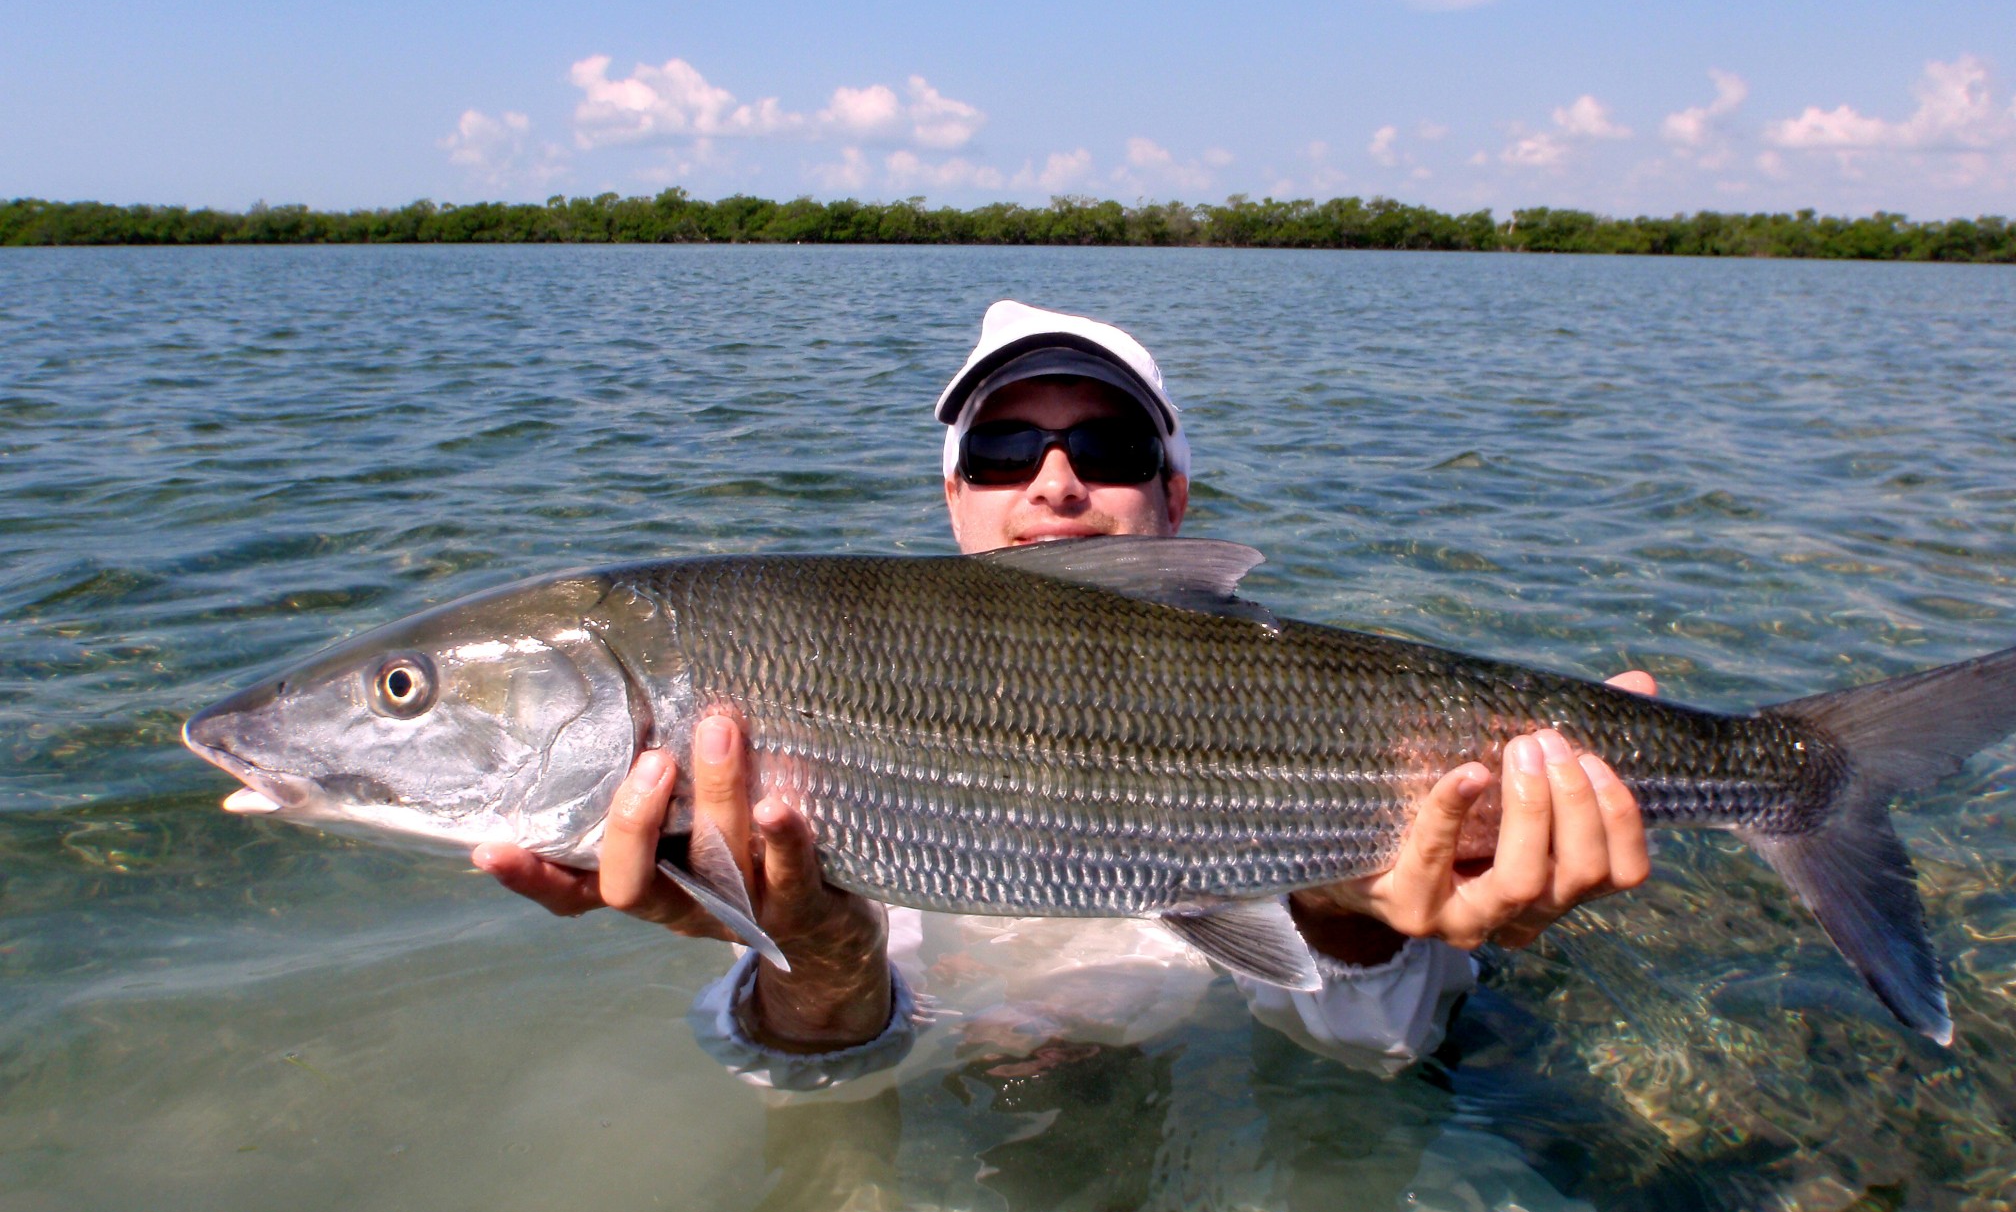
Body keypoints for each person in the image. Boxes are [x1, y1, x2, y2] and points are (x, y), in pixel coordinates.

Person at [472, 300, 1653, 1082]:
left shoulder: (1307, 709)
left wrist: (1348, 915)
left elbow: (1379, 1052)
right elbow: (809, 1083)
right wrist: (821, 959)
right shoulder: (809, 705)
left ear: (1173, 504)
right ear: (951, 498)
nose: (1050, 485)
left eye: (1105, 450)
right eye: (1001, 451)